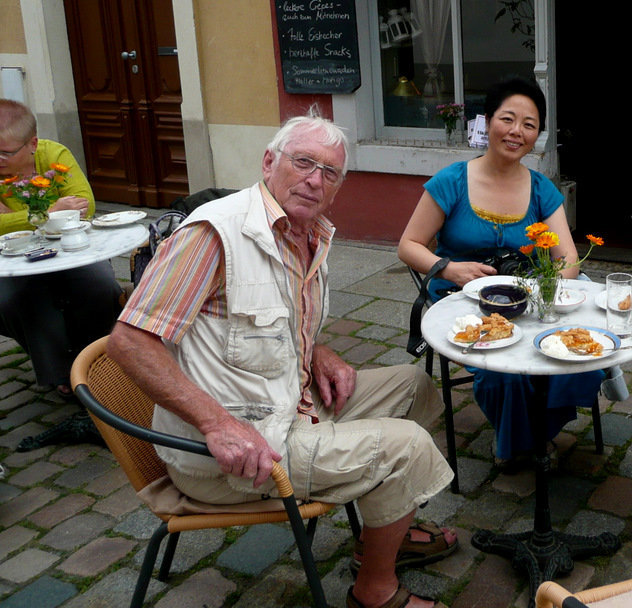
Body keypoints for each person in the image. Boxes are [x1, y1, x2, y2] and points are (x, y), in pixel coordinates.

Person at [107, 113, 456, 608]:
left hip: (288, 405)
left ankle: (381, 530)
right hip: (237, 453)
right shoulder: (214, 235)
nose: (315, 180)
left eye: (329, 172)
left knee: (413, 385)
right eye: (304, 162)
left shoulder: (305, 232)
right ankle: (375, 592)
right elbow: (129, 341)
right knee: (408, 447)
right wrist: (218, 424)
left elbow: (266, 320)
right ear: (270, 162)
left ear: (338, 187)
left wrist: (318, 350)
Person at [398, 77, 603, 469]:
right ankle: (524, 444)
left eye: (529, 124)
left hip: (525, 301)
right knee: (501, 371)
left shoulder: (542, 189)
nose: (517, 131)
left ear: (538, 134)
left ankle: (529, 435)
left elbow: (571, 263)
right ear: (488, 121)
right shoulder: (452, 182)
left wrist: (540, 286)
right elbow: (408, 245)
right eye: (507, 119)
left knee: (574, 356)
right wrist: (450, 268)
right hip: (461, 300)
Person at [0, 99, 122, 397]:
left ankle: (101, 365)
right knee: (16, 299)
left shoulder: (54, 155)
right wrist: (52, 211)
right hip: (12, 259)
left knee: (101, 288)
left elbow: (86, 205)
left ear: (32, 143)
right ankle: (61, 373)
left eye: (5, 152)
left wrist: (13, 217)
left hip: (73, 249)